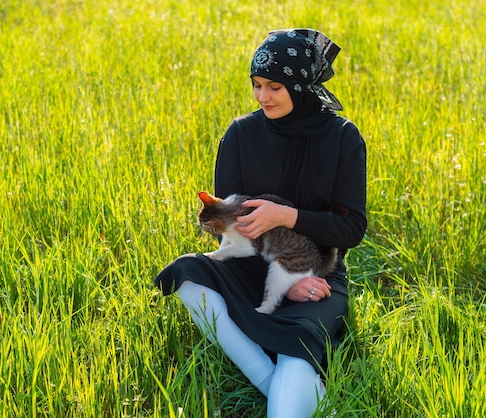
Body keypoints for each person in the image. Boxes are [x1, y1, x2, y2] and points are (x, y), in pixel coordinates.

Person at [155, 28, 367, 417]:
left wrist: (287, 220)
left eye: (274, 87)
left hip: (316, 274)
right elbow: (228, 228)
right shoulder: (240, 133)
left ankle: (280, 383)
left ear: (301, 86)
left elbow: (351, 229)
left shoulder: (343, 137)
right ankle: (267, 378)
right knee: (186, 275)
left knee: (296, 351)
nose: (261, 97)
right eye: (256, 85)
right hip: (250, 266)